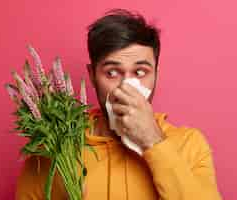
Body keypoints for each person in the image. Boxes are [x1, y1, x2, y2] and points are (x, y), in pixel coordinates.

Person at [15, 8, 222, 200]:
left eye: (140, 72)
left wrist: (153, 141)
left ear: (157, 75)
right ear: (93, 76)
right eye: (112, 72)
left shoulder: (189, 145)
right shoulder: (57, 147)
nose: (126, 87)